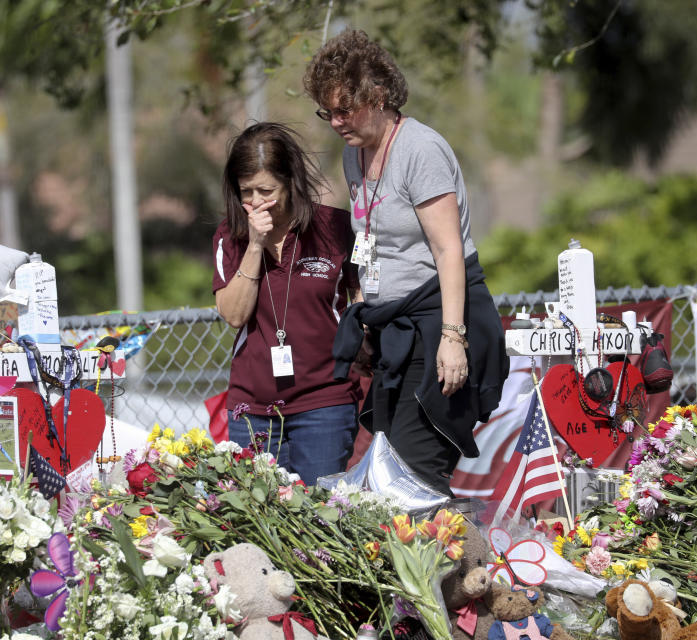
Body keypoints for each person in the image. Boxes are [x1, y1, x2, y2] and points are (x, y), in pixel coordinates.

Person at [304, 29, 509, 495]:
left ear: (378, 95)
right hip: (393, 329)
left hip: (440, 320)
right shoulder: (353, 153)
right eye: (327, 111)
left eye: (345, 108)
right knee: (386, 473)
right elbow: (369, 239)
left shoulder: (420, 149)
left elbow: (448, 250)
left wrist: (453, 339)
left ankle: (454, 566)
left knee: (414, 479)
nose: (336, 121)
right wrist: (364, 318)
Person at [212, 122, 363, 486]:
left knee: (322, 517)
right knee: (258, 520)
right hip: (253, 409)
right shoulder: (230, 237)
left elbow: (361, 295)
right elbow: (233, 314)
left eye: (266, 190)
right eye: (246, 192)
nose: (256, 202)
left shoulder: (336, 228)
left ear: (291, 182)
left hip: (325, 402)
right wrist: (254, 244)